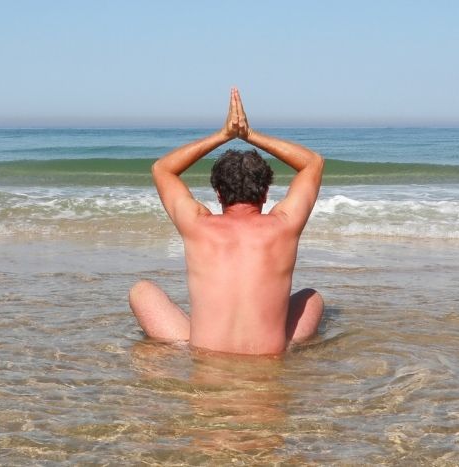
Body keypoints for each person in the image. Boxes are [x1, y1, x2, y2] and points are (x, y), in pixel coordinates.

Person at [128, 87, 325, 355]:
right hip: (268, 356)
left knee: (142, 291)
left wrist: (223, 135)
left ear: (218, 193)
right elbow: (313, 162)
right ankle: (287, 348)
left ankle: (178, 349)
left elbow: (162, 168)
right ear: (265, 193)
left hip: (203, 353)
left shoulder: (197, 225)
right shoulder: (284, 224)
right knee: (311, 298)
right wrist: (250, 135)